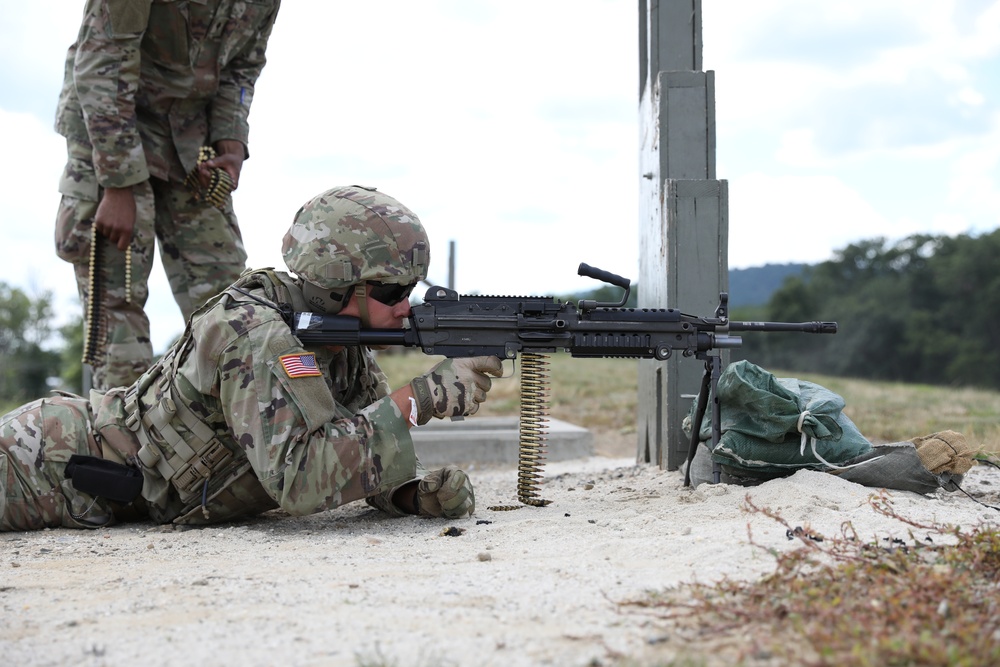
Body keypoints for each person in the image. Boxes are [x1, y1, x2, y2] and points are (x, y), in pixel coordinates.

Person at [1, 185, 504, 531]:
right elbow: (301, 480)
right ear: (335, 283)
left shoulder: (335, 338)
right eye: (392, 290)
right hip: (50, 461)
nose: (404, 307)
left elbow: (353, 437)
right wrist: (422, 398)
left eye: (409, 289)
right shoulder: (258, 333)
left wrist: (408, 495)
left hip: (106, 486)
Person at [53, 0, 281, 391]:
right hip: (111, 131)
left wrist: (231, 142)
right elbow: (101, 61)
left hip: (190, 138)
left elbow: (243, 67)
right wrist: (118, 184)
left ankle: (234, 437)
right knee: (117, 304)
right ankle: (121, 445)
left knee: (231, 302)